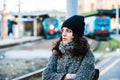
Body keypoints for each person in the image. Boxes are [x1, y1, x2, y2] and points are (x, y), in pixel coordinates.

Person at [42, 15, 96, 80]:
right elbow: (46, 75)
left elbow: (81, 78)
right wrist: (66, 76)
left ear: (76, 34)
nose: (64, 34)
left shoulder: (87, 55)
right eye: (63, 30)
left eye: (68, 31)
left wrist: (55, 77)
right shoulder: (57, 51)